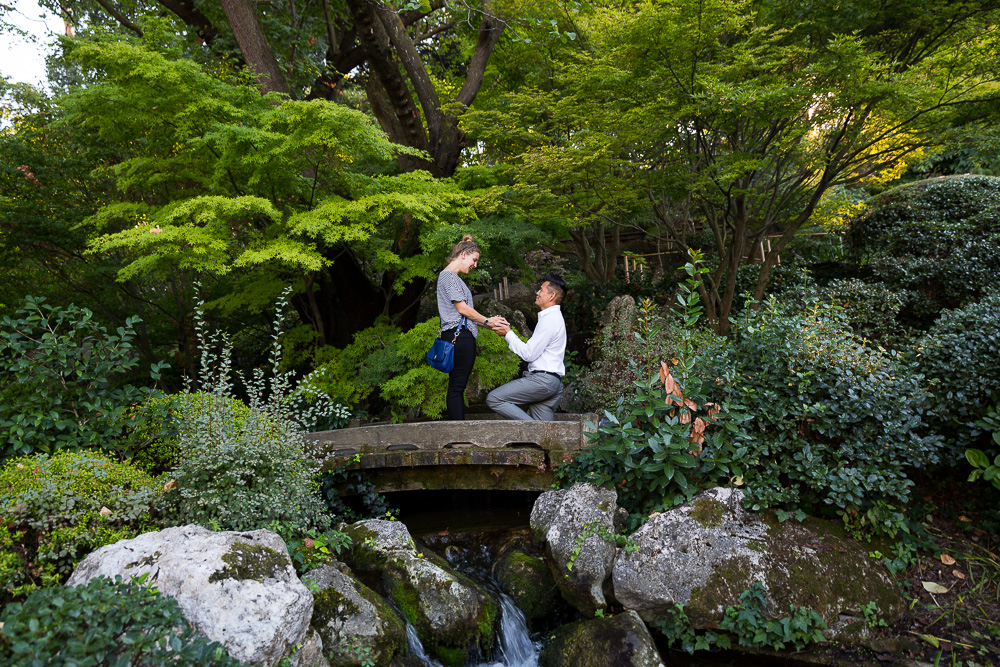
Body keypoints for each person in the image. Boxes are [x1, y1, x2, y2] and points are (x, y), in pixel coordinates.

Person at [437, 235, 508, 420]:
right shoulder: (448, 276)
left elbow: (463, 315)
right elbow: (462, 308)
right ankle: (459, 436)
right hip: (459, 337)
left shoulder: (453, 278)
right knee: (456, 388)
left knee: (456, 387)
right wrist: (486, 321)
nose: (475, 265)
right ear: (463, 254)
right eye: (474, 260)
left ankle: (458, 434)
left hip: (458, 336)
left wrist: (491, 323)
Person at [486, 274, 568, 421]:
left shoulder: (550, 320)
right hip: (553, 383)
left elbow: (528, 354)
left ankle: (531, 428)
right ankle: (536, 433)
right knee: (544, 436)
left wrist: (508, 333)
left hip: (543, 381)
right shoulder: (554, 318)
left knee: (494, 399)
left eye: (541, 290)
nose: (537, 292)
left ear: (551, 295)